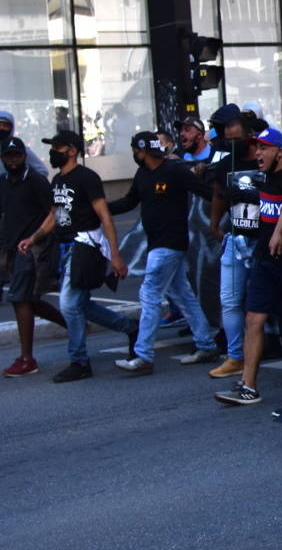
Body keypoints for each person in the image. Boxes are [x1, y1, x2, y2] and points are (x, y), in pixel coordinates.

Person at [17, 130, 133, 383]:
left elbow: (104, 216)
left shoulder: (87, 177)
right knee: (80, 305)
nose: (52, 152)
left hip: (86, 246)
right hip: (66, 247)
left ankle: (79, 361)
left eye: (57, 147)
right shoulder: (57, 180)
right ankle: (130, 327)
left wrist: (115, 255)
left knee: (69, 304)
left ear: (72, 150)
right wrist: (34, 237)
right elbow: (55, 216)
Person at [107, 131, 220, 374]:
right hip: (158, 243)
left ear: (142, 151)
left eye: (136, 151)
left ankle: (143, 356)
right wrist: (100, 209)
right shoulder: (143, 174)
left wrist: (228, 198)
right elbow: (128, 202)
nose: (135, 156)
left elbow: (204, 191)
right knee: (183, 295)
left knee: (149, 295)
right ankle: (206, 344)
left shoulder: (174, 171)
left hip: (169, 244)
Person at [215, 126, 282, 407]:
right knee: (253, 319)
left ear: (281, 152)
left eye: (264, 148)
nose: (258, 153)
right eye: (257, 147)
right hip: (264, 262)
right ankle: (248, 386)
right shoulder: (261, 180)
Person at [0, 136, 65, 377]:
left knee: (19, 298)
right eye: (8, 156)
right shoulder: (3, 182)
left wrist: (36, 239)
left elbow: (54, 214)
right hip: (10, 249)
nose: (13, 160)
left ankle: (27, 358)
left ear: (24, 157)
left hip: (32, 249)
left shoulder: (36, 181)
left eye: (16, 155)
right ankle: (72, 325)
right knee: (30, 300)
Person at [206, 117, 260, 379]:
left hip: (263, 238)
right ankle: (235, 355)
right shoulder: (226, 163)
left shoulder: (263, 158)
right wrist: (215, 225)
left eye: (237, 138)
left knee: (265, 302)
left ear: (250, 135)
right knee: (229, 300)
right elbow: (218, 194)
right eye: (228, 139)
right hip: (235, 237)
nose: (232, 144)